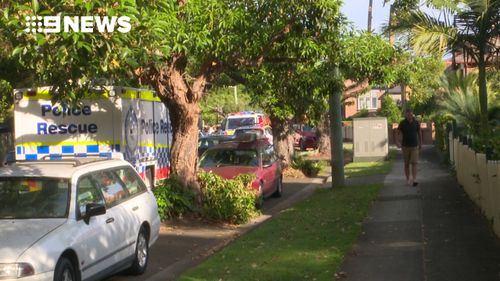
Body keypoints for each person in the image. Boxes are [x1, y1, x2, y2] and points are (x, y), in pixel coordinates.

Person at [396, 108, 422, 186]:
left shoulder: (416, 123)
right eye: (407, 114)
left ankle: (414, 179)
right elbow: (397, 132)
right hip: (405, 146)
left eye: (410, 114)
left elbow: (419, 133)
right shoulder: (402, 123)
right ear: (405, 114)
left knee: (414, 163)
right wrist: (397, 142)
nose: (409, 115)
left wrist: (421, 143)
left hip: (415, 146)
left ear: (412, 114)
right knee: (406, 164)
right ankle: (408, 179)